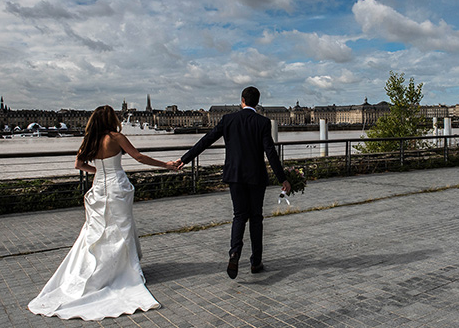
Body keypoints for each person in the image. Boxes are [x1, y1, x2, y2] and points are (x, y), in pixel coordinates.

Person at [28, 105, 177, 321]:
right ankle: (122, 272)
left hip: (99, 187)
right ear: (111, 119)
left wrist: (96, 171)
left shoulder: (90, 139)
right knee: (121, 229)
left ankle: (94, 273)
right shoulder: (116, 137)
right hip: (116, 187)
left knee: (96, 231)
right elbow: (139, 157)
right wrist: (167, 165)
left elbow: (79, 164)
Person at [174, 86, 290, 279]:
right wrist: (282, 178)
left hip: (234, 176)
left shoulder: (228, 120)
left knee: (239, 216)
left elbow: (206, 140)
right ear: (257, 102)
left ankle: (234, 253)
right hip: (256, 177)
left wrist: (184, 159)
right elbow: (270, 152)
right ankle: (256, 262)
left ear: (242, 100)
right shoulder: (262, 122)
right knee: (256, 218)